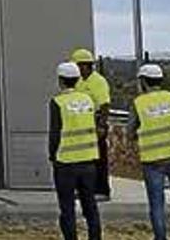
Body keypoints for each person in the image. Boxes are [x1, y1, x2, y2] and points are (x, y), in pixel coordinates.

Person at [129, 64, 170, 240]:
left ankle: (160, 237)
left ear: (143, 81)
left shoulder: (139, 103)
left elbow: (130, 131)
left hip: (152, 161)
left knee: (156, 203)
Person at [51, 62, 102, 240]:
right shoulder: (87, 100)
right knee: (90, 206)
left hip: (65, 162)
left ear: (60, 80)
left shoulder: (58, 102)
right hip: (88, 160)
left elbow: (55, 133)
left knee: (67, 208)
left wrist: (52, 155)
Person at [71, 48, 112, 199]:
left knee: (99, 158)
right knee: (82, 158)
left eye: (78, 66)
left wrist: (101, 125)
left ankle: (102, 190)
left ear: (85, 65)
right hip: (82, 124)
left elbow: (104, 105)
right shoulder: (79, 82)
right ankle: (83, 188)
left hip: (95, 121)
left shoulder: (98, 81)